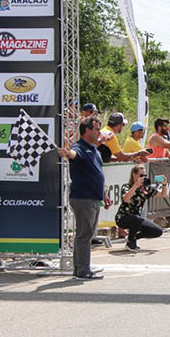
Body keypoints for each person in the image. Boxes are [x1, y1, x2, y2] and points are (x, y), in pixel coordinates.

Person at [57, 117, 108, 280]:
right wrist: (66, 153)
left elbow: (98, 173)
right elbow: (73, 154)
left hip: (93, 197)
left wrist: (104, 193)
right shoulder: (79, 147)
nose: (99, 132)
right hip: (83, 197)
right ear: (87, 131)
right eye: (96, 129)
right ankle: (83, 270)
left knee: (86, 234)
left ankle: (81, 268)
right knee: (84, 235)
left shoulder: (95, 150)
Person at [116, 164, 166, 252]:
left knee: (157, 231)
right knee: (137, 219)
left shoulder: (145, 189)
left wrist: (164, 185)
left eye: (145, 176)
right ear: (134, 175)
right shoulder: (127, 187)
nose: (143, 178)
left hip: (137, 219)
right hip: (123, 218)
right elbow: (126, 198)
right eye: (141, 175)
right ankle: (130, 242)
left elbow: (163, 194)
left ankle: (133, 237)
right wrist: (135, 185)